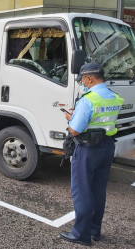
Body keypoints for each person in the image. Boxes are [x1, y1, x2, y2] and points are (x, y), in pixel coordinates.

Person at [60, 63, 124, 246]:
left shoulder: (88, 100)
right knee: (98, 191)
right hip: (107, 147)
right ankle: (95, 231)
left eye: (83, 80)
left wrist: (71, 117)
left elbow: (74, 130)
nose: (83, 84)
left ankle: (81, 234)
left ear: (89, 78)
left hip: (88, 150)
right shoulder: (114, 97)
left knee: (82, 191)